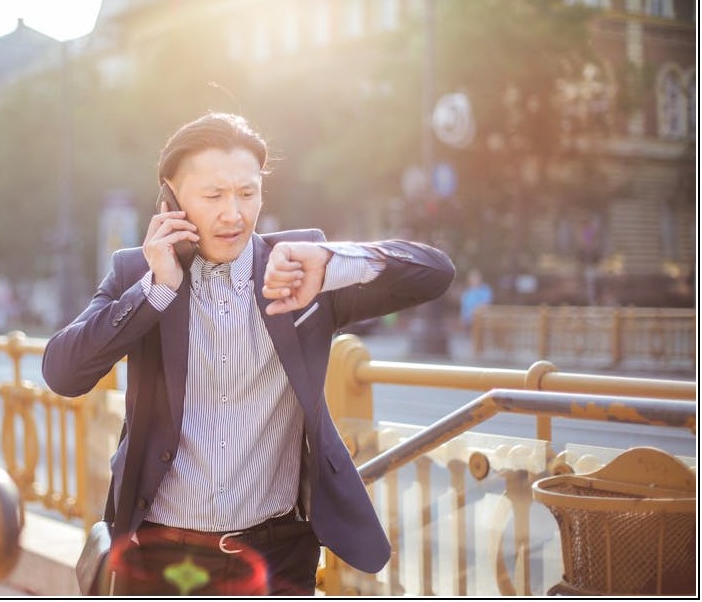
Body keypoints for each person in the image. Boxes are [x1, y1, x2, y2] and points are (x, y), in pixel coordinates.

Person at [42, 112, 455, 595]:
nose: (233, 214)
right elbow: (62, 372)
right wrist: (154, 291)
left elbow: (435, 273)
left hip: (275, 556)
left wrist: (334, 262)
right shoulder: (138, 271)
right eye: (213, 196)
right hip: (161, 558)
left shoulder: (299, 268)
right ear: (171, 199)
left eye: (247, 193)